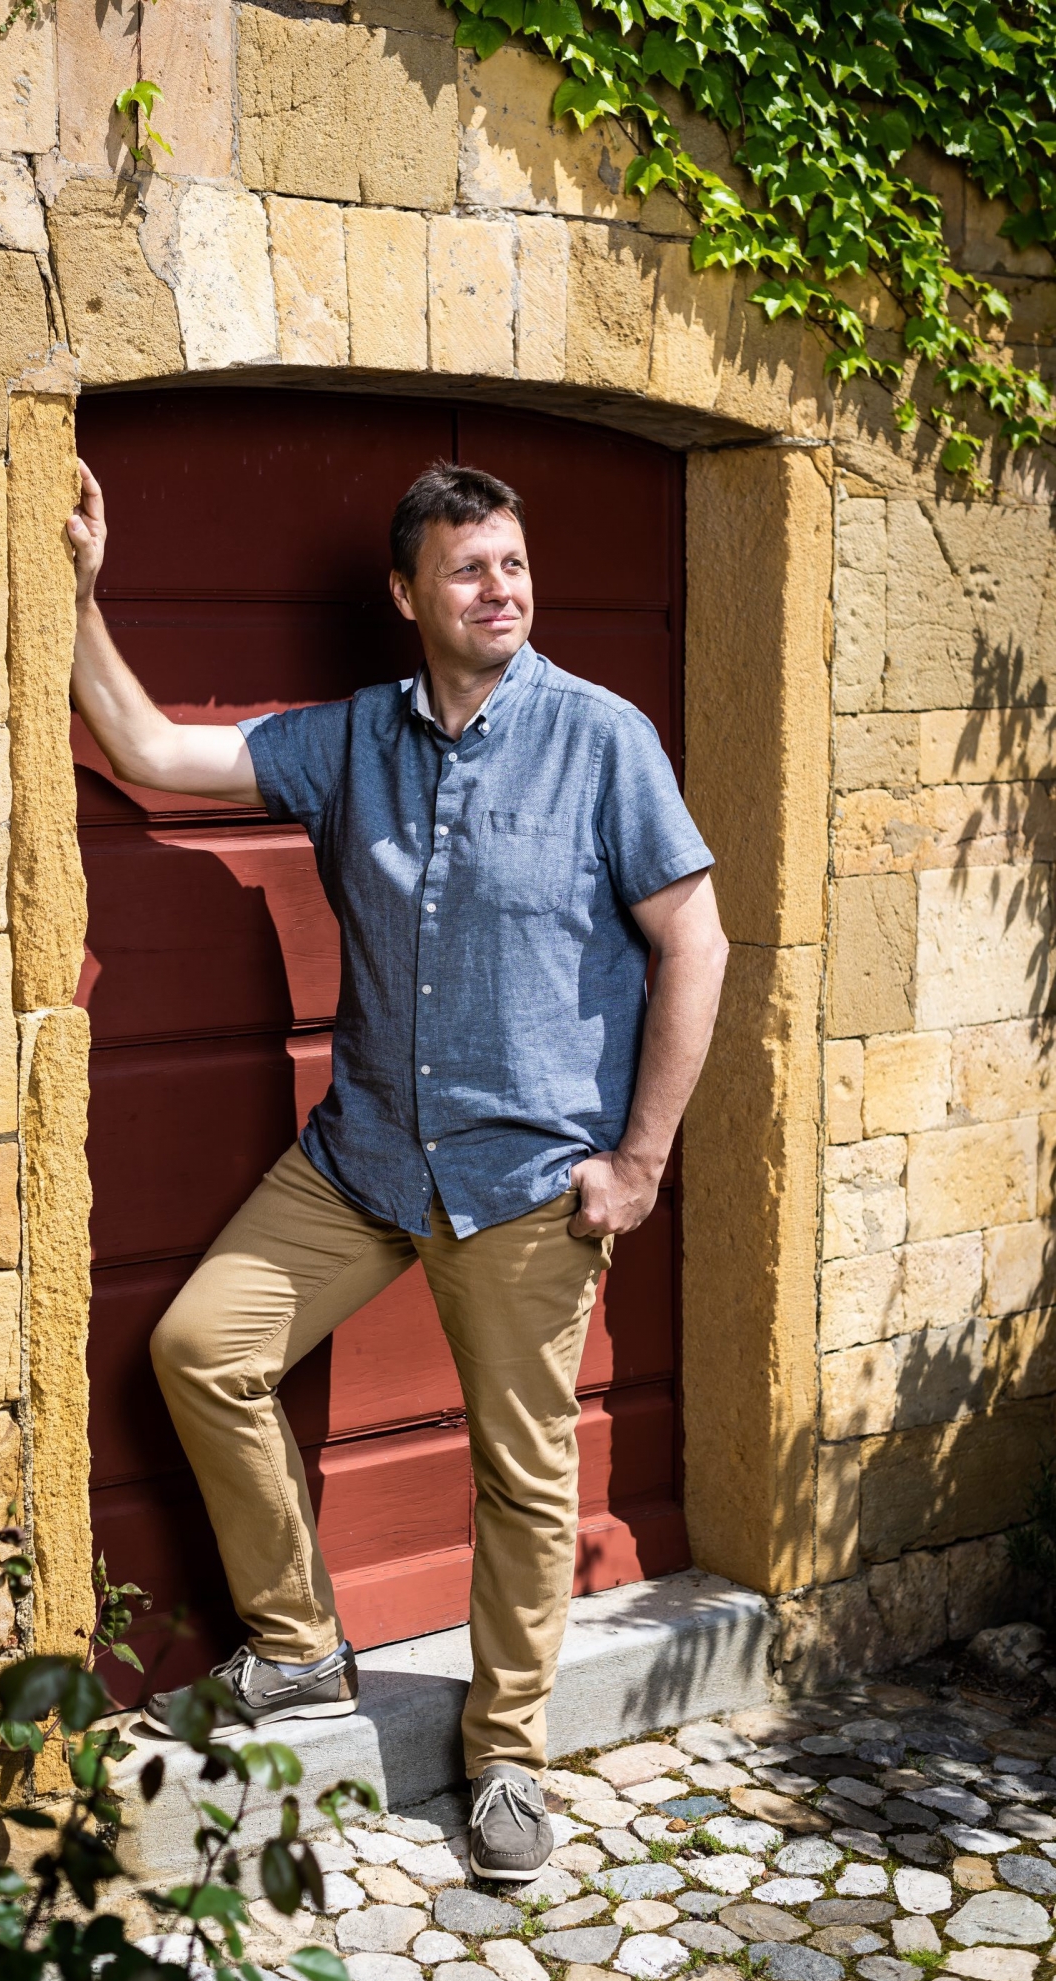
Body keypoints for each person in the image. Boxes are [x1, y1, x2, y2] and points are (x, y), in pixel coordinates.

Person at [66, 455, 728, 1884]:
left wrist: (641, 1161)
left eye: (514, 563)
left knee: (522, 1477)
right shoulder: (352, 740)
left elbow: (698, 943)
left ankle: (505, 1755)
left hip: (530, 1179)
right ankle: (303, 1649)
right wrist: (75, 586)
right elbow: (144, 751)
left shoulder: (602, 739)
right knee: (200, 1349)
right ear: (407, 593)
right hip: (363, 1155)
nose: (502, 589)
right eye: (470, 568)